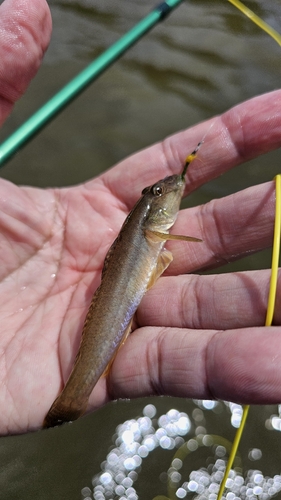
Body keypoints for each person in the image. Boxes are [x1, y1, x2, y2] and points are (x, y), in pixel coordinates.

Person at [0, 0, 280, 435]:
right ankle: (72, 395)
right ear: (153, 213)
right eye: (156, 193)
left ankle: (73, 394)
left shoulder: (151, 228)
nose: (167, 188)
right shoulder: (151, 225)